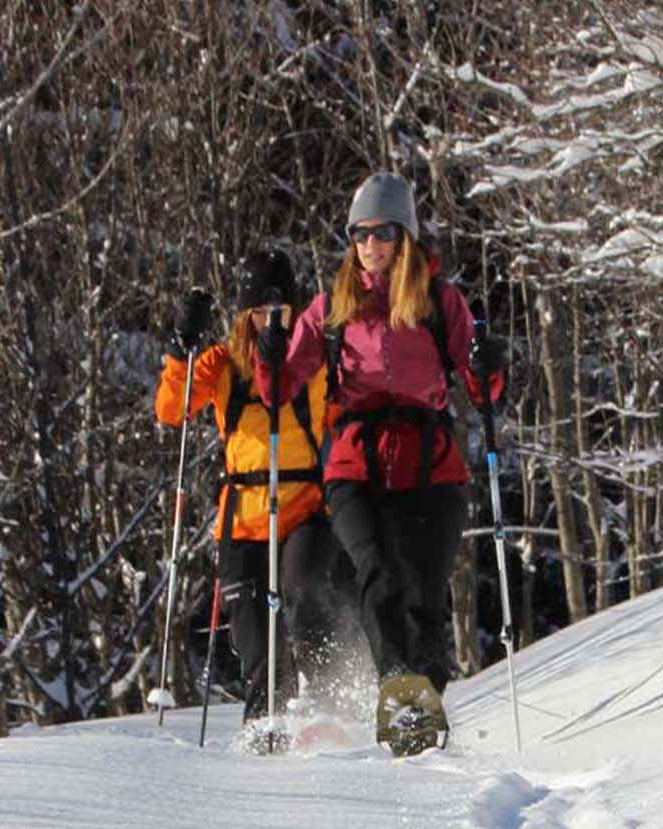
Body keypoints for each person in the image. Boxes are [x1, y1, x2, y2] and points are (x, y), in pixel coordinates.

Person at [253, 173, 504, 750]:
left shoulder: (439, 302)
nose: (370, 244)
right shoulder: (332, 308)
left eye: (382, 232)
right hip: (355, 465)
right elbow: (280, 387)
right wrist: (270, 356)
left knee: (424, 588)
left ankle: (423, 700)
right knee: (380, 571)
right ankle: (397, 687)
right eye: (359, 233)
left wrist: (485, 363)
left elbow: (482, 390)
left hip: (430, 463)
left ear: (405, 236)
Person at [154, 250, 340, 733]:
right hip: (241, 519)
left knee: (304, 593)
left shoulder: (313, 360)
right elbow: (172, 409)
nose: (271, 321)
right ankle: (264, 734)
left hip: (303, 508)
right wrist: (181, 349)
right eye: (259, 311)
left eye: (280, 311)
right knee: (258, 646)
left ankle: (331, 706)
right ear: (244, 315)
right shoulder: (223, 363)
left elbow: (343, 416)